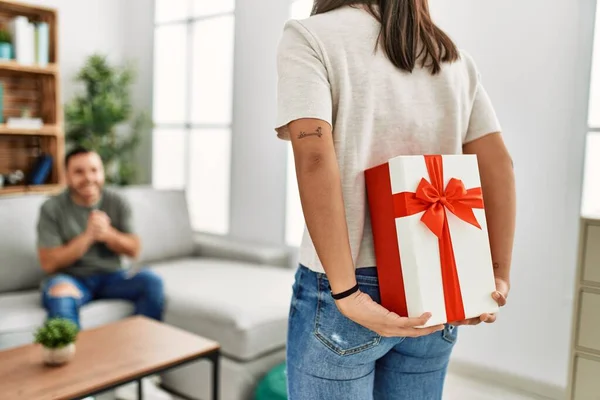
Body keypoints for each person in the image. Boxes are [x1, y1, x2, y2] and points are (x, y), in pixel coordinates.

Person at [275, 1, 516, 399]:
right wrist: (497, 274)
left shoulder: (310, 36)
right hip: (434, 279)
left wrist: (347, 295)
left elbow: (315, 156)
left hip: (347, 281)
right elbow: (500, 165)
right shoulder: (450, 57)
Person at [36, 147, 164, 329]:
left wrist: (108, 234)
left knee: (152, 282)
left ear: (102, 173)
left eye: (94, 170)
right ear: (67, 176)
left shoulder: (118, 201)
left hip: (114, 277)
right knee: (61, 297)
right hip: (72, 279)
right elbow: (48, 263)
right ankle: (72, 356)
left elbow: (134, 250)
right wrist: (88, 236)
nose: (88, 178)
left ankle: (140, 347)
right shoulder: (51, 208)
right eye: (79, 172)